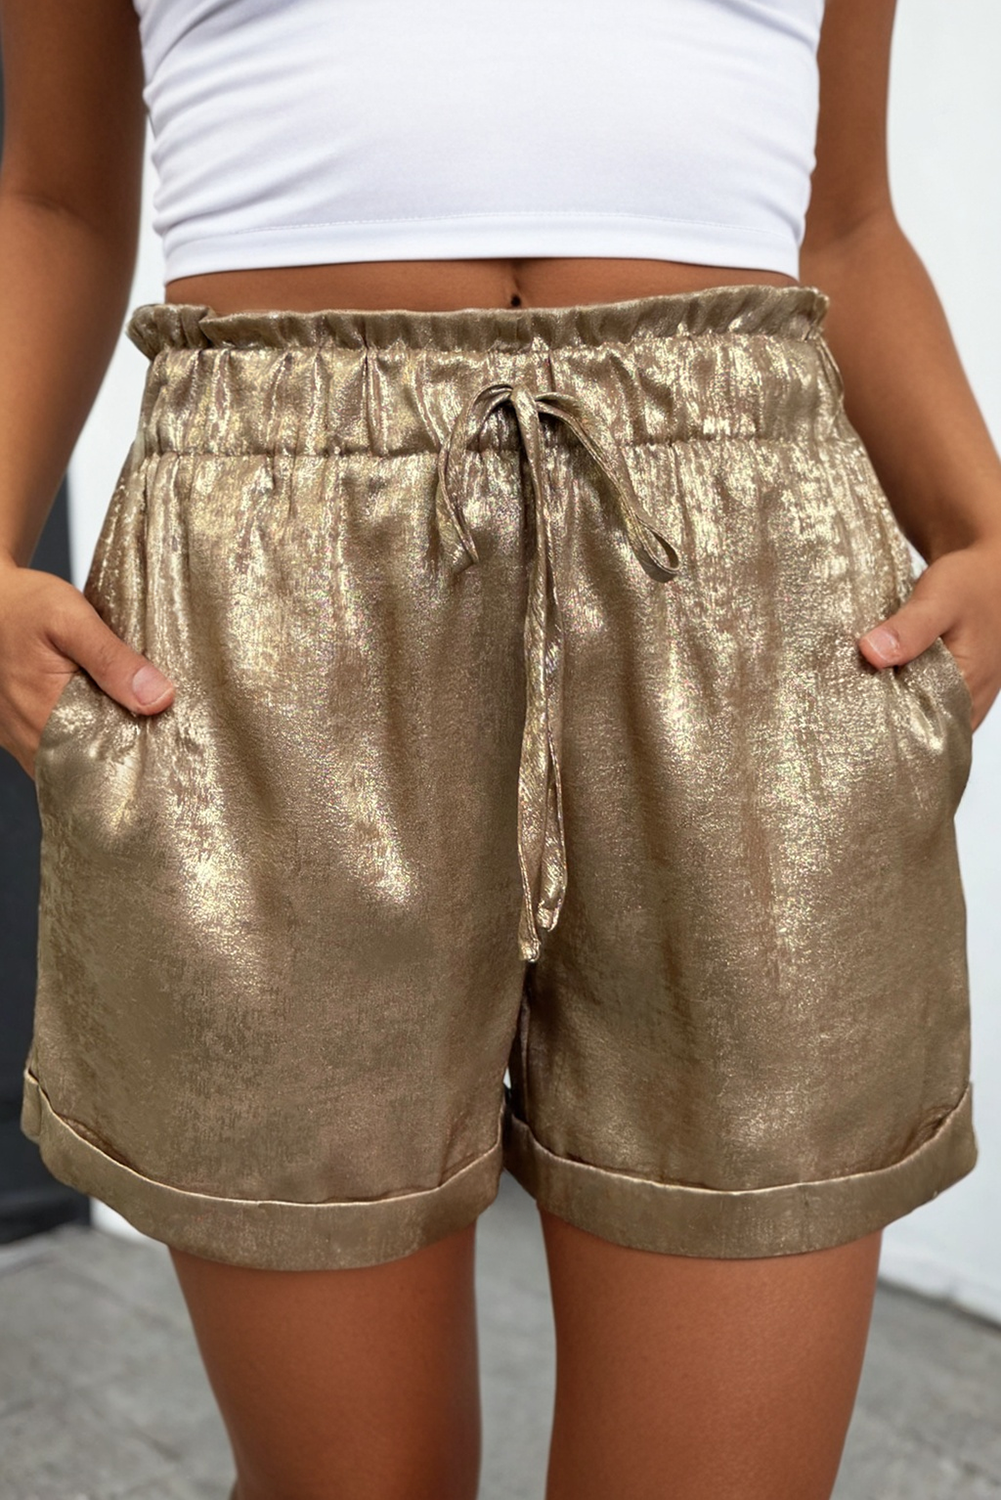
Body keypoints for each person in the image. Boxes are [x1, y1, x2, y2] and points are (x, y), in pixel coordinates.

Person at [1, 1, 998, 1496]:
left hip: (749, 577)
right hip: (273, 573)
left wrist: (986, 527)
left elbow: (840, 216)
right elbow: (58, 197)